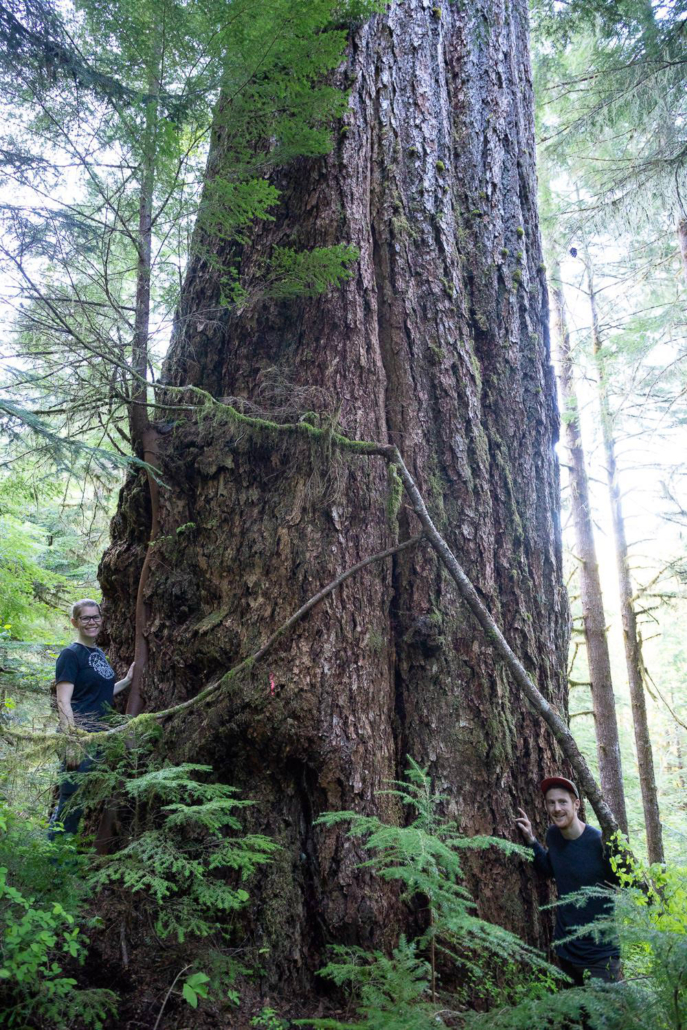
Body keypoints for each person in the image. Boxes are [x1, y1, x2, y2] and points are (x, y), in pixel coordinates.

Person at [515, 775, 621, 986]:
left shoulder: (600, 843)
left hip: (601, 953)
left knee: (606, 1017)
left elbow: (626, 884)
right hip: (566, 951)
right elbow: (551, 870)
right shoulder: (553, 835)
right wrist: (531, 841)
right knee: (575, 1017)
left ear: (576, 804)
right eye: (551, 802)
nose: (556, 809)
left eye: (562, 802)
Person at [50, 598, 134, 836]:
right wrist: (73, 740)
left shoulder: (96, 653)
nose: (92, 622)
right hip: (79, 735)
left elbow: (99, 691)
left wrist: (126, 681)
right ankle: (54, 860)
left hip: (98, 734)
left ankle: (62, 854)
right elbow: (63, 700)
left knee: (80, 800)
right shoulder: (70, 655)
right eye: (86, 618)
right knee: (70, 801)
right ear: (74, 622)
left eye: (95, 617)